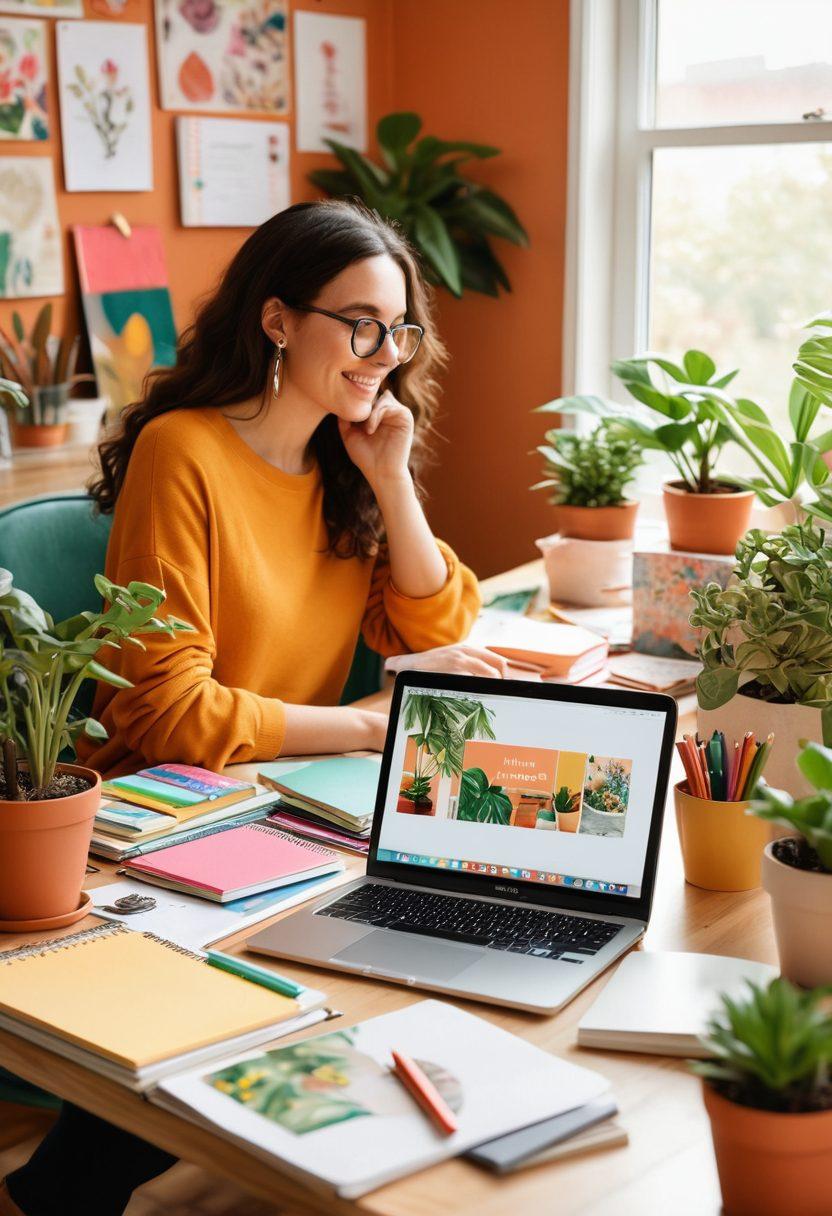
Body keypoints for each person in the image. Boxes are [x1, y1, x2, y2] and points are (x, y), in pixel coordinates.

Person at [1, 200, 507, 1216]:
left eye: (399, 329)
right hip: (175, 818)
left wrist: (393, 476)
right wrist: (371, 720)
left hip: (288, 808)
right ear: (277, 319)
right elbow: (171, 712)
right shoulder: (185, 451)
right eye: (358, 322)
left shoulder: (343, 462)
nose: (383, 352)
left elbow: (437, 628)